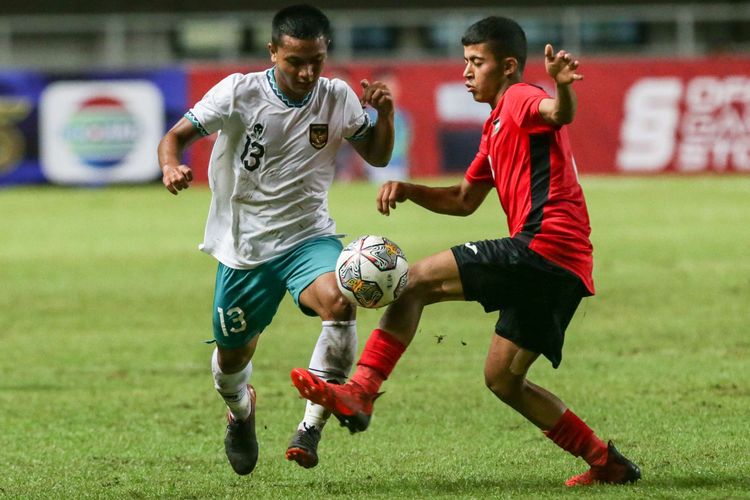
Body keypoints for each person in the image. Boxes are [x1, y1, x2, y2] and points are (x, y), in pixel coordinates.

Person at [290, 16, 641, 487]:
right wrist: (410, 190)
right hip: (566, 266)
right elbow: (463, 199)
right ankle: (607, 462)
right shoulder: (496, 126)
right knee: (503, 380)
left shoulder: (519, 98)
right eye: (465, 62)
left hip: (542, 247)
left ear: (509, 66)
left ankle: (362, 390)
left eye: (477, 62)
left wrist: (562, 89)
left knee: (410, 283)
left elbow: (557, 114)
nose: (466, 72)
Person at [157, 4, 394, 475]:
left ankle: (309, 429)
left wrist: (383, 117)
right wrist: (169, 165)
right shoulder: (239, 92)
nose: (307, 72)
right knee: (230, 362)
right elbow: (175, 136)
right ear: (273, 53)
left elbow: (378, 155)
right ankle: (241, 411)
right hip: (244, 250)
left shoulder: (337, 96)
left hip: (308, 236)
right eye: (295, 61)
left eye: (317, 60)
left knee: (341, 305)